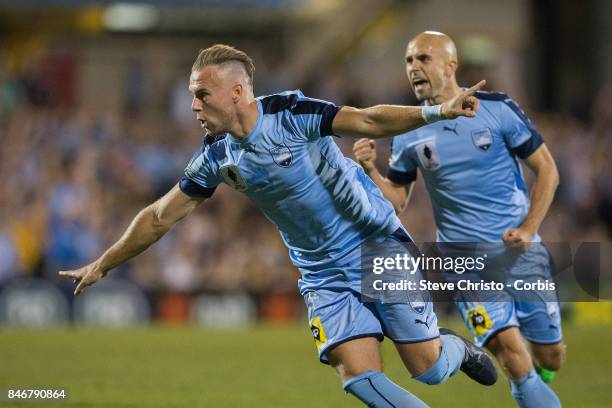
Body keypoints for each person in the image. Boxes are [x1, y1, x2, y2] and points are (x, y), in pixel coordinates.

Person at [59, 44, 495, 407]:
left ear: (236, 92)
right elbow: (159, 216)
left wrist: (437, 111)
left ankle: (453, 348)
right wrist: (105, 261)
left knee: (429, 370)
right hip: (321, 272)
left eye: (201, 94)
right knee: (358, 378)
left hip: (374, 246)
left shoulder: (290, 113)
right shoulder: (216, 156)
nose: (193, 105)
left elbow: (367, 119)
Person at [353, 31, 565, 407]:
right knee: (512, 356)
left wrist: (530, 227)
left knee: (551, 356)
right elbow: (398, 200)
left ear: (451, 66)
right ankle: (527, 386)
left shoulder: (497, 108)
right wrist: (371, 169)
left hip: (519, 251)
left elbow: (547, 169)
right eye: (408, 61)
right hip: (463, 259)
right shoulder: (409, 129)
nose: (413, 68)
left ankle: (540, 376)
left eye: (423, 58)